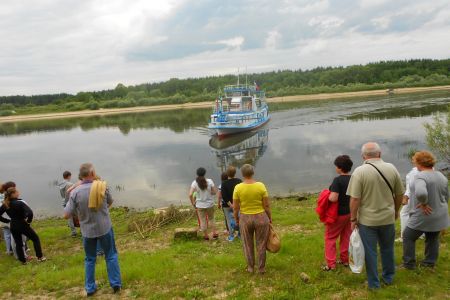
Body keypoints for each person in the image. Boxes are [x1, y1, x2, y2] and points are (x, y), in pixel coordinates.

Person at [347, 142, 404, 289]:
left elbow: (354, 199)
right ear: (380, 154)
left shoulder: (359, 172)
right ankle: (389, 278)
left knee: (370, 252)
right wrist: (396, 210)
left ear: (363, 156)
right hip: (387, 217)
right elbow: (399, 194)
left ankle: (374, 284)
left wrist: (353, 219)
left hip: (368, 221)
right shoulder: (391, 168)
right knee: (387, 248)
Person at [64, 163, 121, 296]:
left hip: (87, 232)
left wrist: (79, 212)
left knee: (90, 259)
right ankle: (116, 284)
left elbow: (66, 214)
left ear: (81, 176)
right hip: (104, 228)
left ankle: (90, 288)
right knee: (111, 256)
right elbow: (110, 202)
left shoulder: (75, 192)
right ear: (92, 173)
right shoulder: (102, 186)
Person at [401, 151, 449, 269]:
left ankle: (408, 264)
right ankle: (429, 263)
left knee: (408, 236)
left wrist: (424, 203)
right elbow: (446, 196)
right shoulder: (441, 176)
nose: (414, 163)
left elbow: (421, 192)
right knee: (432, 237)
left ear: (419, 163)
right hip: (439, 212)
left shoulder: (420, 176)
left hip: (424, 213)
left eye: (414, 161)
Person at [233, 164, 271, 274]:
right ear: (253, 173)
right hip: (261, 217)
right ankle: (261, 268)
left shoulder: (238, 187)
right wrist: (269, 217)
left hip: (245, 218)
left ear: (243, 174)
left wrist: (236, 219)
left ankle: (250, 267)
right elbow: (266, 205)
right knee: (261, 243)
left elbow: (236, 207)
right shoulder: (261, 186)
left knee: (247, 244)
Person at [0, 187, 46, 264]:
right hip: (22, 224)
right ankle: (40, 257)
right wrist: (28, 222)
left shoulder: (5, 204)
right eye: (17, 191)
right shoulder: (20, 203)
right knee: (35, 238)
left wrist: (7, 220)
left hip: (13, 225)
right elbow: (30, 213)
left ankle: (23, 261)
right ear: (13, 194)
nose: (18, 192)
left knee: (18, 243)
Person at [323, 155, 353, 271]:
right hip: (350, 212)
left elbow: (333, 198)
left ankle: (331, 265)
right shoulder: (354, 178)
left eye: (336, 166)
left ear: (340, 168)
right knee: (346, 236)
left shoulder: (337, 180)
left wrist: (327, 195)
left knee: (330, 237)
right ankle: (345, 260)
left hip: (338, 214)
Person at [189, 167, 218, 240]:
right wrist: (209, 192)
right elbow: (215, 192)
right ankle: (214, 233)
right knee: (211, 218)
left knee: (203, 220)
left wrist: (193, 203)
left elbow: (190, 194)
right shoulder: (210, 181)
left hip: (200, 205)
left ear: (197, 174)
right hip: (210, 204)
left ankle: (206, 235)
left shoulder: (194, 183)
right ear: (204, 173)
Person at [396, 159, 420, 243]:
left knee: (404, 213)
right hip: (419, 196)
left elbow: (410, 186)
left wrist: (406, 197)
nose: (412, 160)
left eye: (414, 159)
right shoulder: (430, 169)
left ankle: (404, 236)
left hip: (412, 196)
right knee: (417, 213)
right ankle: (420, 234)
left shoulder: (415, 172)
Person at [221, 166, 242, 242]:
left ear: (227, 173)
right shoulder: (239, 181)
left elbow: (224, 196)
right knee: (239, 219)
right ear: (235, 173)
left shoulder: (224, 183)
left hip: (227, 206)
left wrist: (230, 205)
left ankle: (231, 236)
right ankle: (240, 234)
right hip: (238, 205)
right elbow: (241, 193)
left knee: (229, 220)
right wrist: (236, 204)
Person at [58, 171, 77, 237]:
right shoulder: (70, 184)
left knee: (69, 218)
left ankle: (73, 232)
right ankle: (80, 230)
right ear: (68, 176)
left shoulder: (60, 184)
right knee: (78, 215)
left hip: (64, 202)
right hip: (70, 202)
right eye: (70, 176)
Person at [0, 182, 14, 255]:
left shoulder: (3, 195)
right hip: (8, 219)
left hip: (2, 219)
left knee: (6, 234)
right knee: (13, 234)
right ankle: (15, 250)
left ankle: (9, 250)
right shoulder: (8, 196)